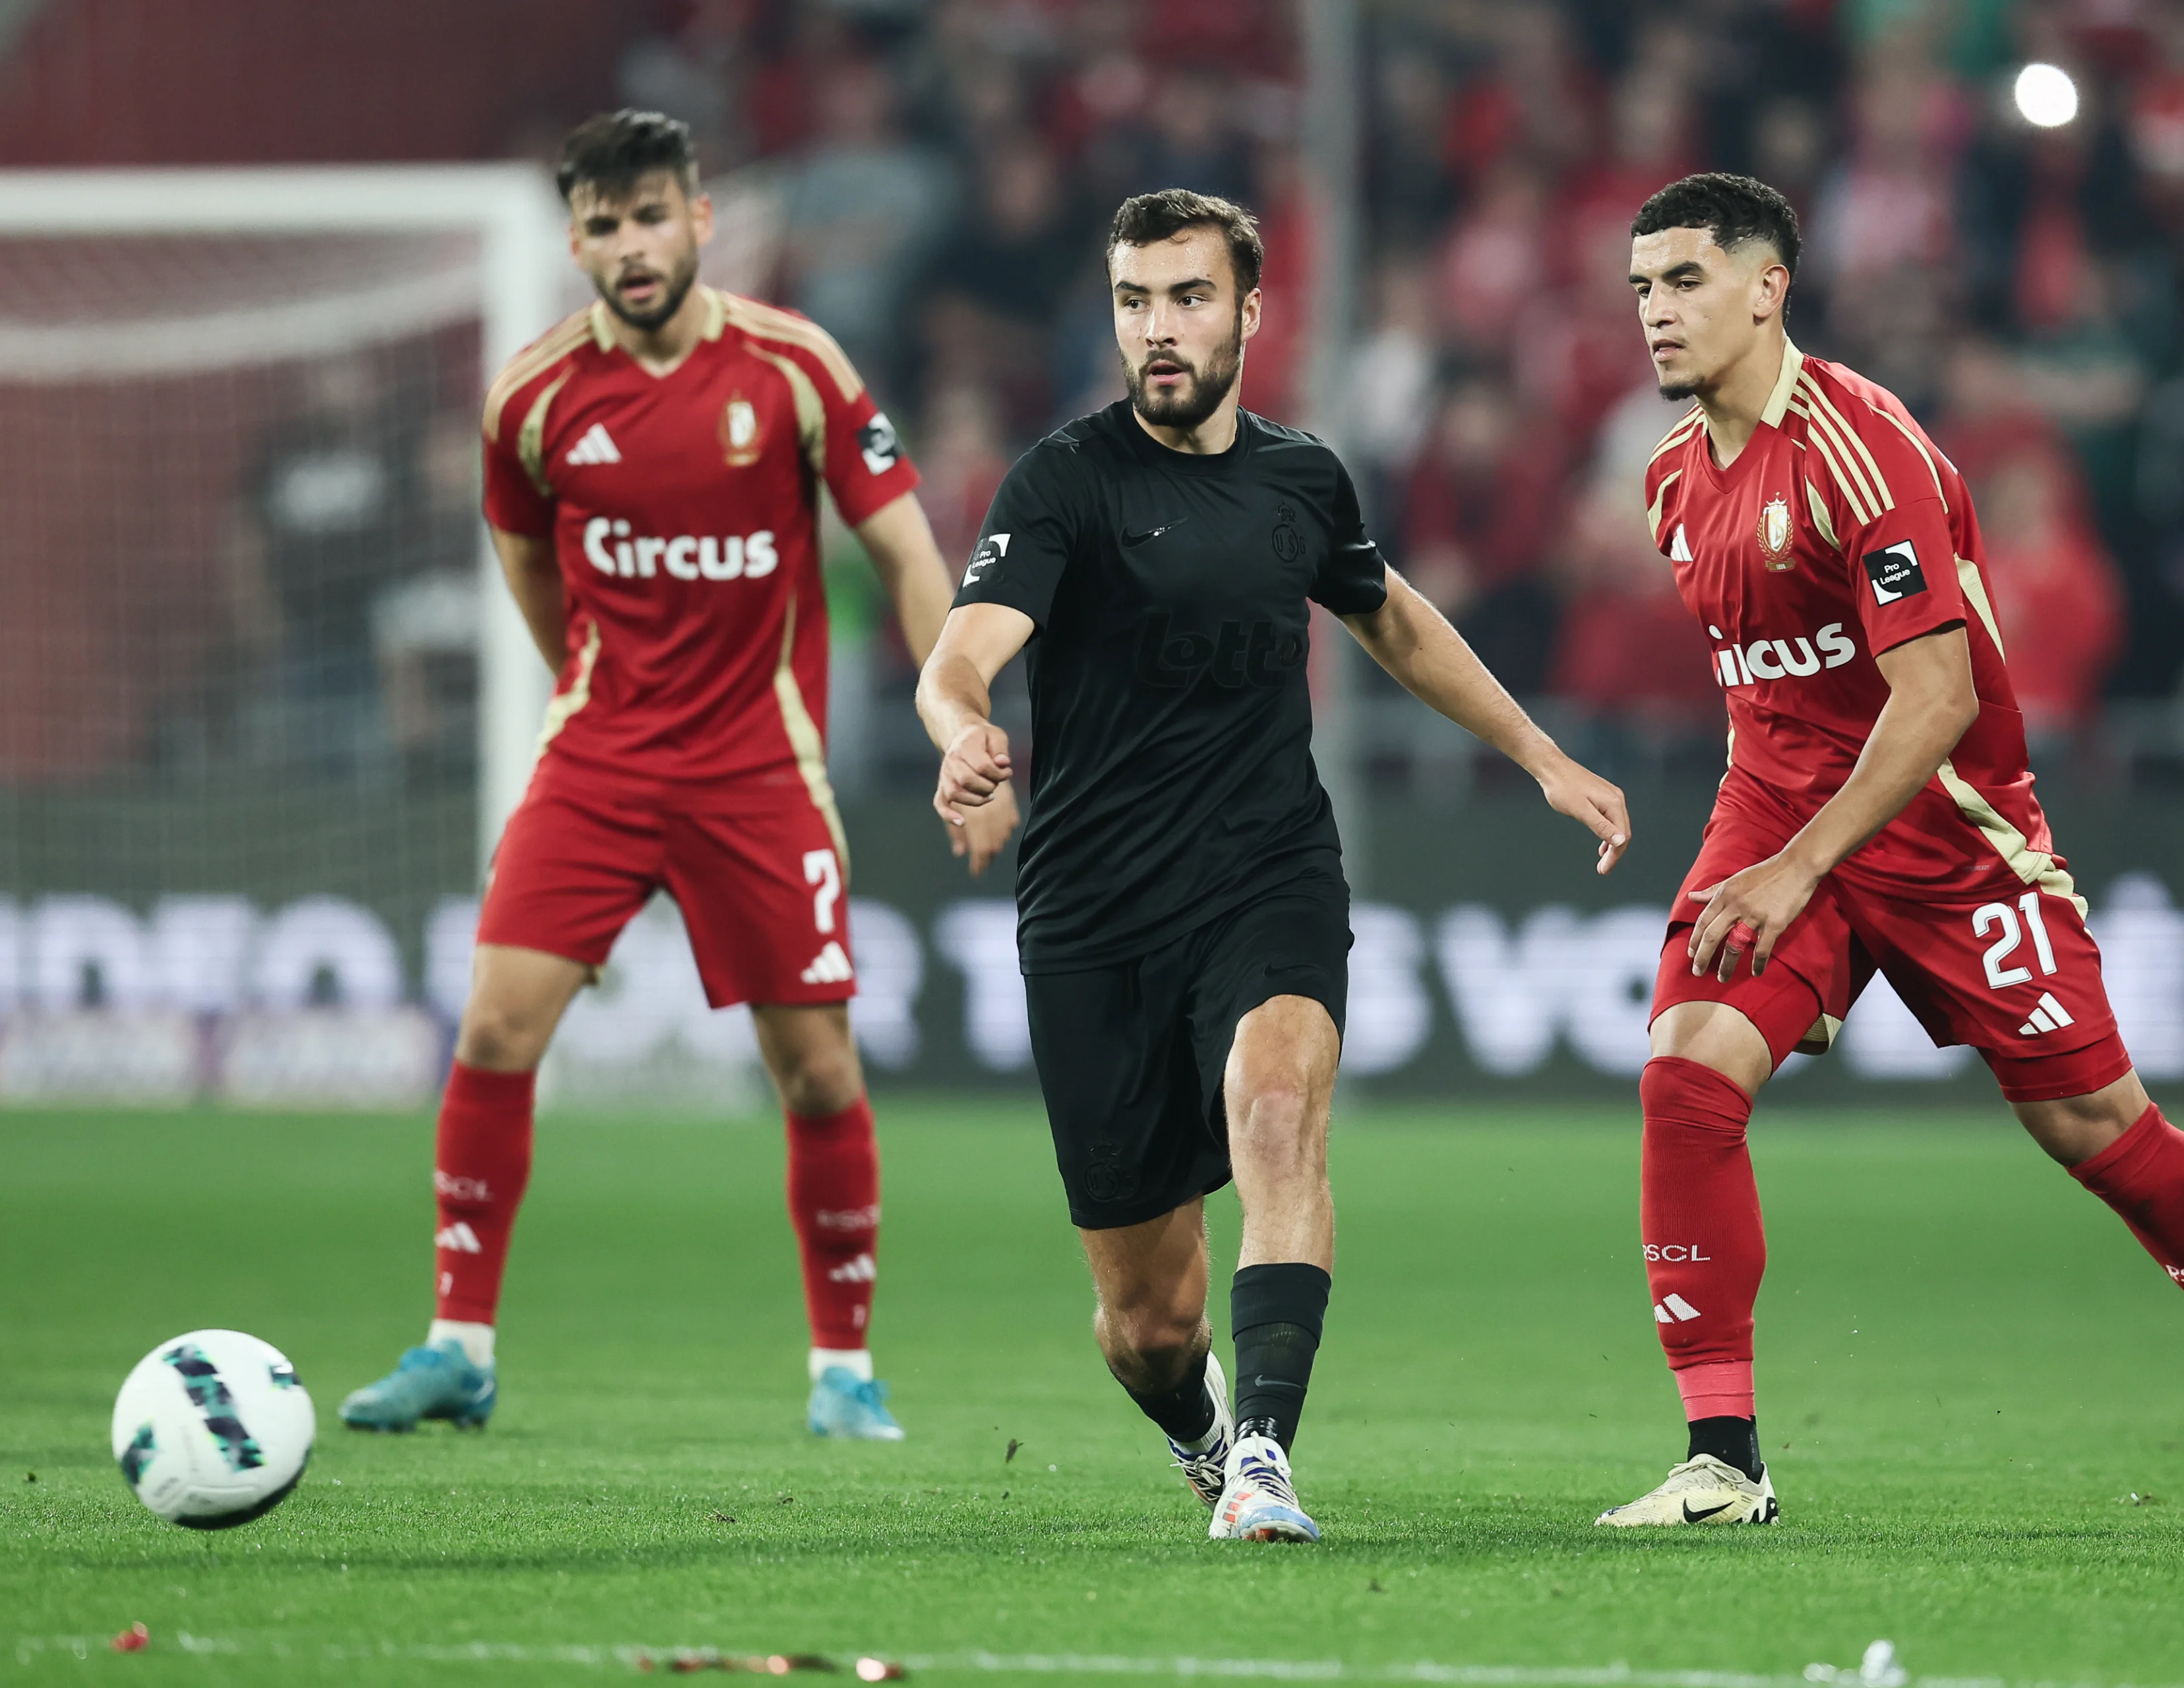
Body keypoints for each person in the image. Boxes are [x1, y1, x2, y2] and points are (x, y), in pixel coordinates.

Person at [1599, 173, 2184, 1530]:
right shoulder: (1673, 483)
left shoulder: (1862, 448)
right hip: (1780, 815)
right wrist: (1781, 868)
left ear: (1766, 285)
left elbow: (1938, 701)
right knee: (1683, 1072)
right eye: (1640, 289)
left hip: (1948, 834)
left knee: (2100, 1132)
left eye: (1682, 280)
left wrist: (1803, 873)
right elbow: (1774, 695)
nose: (1656, 313)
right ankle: (1723, 1457)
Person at [915, 190, 1630, 1542]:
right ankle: (1201, 1426)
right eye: (1135, 302)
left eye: (1189, 297)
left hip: (1266, 870)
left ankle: (1264, 1461)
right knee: (1146, 1321)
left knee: (1279, 1111)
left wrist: (1539, 755)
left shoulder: (1304, 477)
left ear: (1252, 309)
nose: (1160, 329)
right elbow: (963, 653)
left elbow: (1393, 619)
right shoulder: (1063, 482)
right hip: (1094, 912)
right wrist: (962, 731)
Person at [338, 109, 1016, 1441]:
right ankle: (458, 1344)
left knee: (815, 1068)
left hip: (757, 764)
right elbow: (532, 575)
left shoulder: (793, 368)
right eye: (602, 224)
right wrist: (599, 689)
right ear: (575, 239)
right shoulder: (530, 400)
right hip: (600, 756)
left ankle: (843, 1368)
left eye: (651, 216)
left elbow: (907, 555)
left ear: (700, 221)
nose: (630, 245)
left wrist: (966, 732)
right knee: (490, 1030)